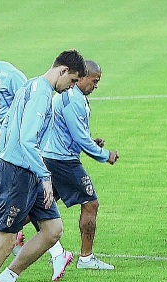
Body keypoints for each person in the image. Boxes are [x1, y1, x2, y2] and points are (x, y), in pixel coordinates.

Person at [0, 51, 87, 282]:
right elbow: (26, 140)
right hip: (17, 172)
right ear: (62, 71)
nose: (70, 88)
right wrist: (46, 176)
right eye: (72, 81)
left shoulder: (31, 84)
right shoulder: (42, 94)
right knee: (5, 240)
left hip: (28, 169)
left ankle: (6, 280)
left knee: (52, 229)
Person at [0, 41, 72, 278]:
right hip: (9, 149)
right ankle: (52, 251)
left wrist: (5, 130)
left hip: (16, 150)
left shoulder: (12, 76)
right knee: (2, 195)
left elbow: (25, 105)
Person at [43, 60, 119, 270]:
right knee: (91, 203)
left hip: (54, 157)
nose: (95, 86)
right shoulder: (72, 99)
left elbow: (73, 133)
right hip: (63, 161)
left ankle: (0, 239)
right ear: (83, 77)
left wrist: (90, 142)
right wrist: (105, 155)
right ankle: (86, 258)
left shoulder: (74, 97)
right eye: (94, 81)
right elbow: (79, 137)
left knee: (42, 204)